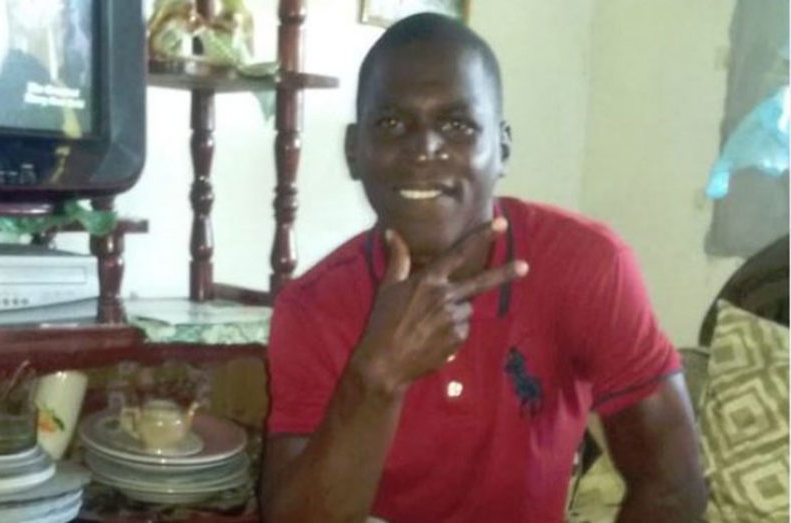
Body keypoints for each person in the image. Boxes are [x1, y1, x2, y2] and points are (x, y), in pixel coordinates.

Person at [261, 13, 705, 523]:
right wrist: (378, 376)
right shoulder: (311, 306)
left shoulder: (586, 266)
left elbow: (673, 488)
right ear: (354, 151)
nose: (424, 150)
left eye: (457, 125)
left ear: (502, 148)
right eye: (391, 124)